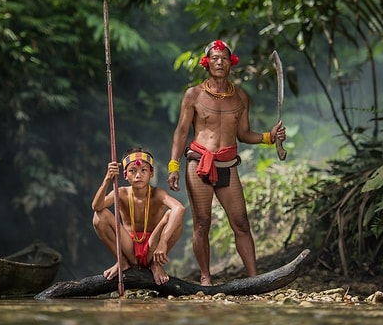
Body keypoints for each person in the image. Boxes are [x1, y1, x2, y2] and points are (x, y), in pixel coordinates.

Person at [167, 39, 286, 286]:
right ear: (206, 63)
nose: (219, 62)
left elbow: (244, 134)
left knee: (241, 222)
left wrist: (269, 137)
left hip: (227, 165)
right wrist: (173, 166)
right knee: (202, 222)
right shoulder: (194, 95)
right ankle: (205, 277)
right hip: (199, 162)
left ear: (231, 64)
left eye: (224, 58)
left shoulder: (241, 97)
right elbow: (180, 132)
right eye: (214, 58)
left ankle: (255, 279)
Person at [92, 147, 186, 285]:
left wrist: (163, 242)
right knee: (99, 216)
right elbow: (96, 206)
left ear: (151, 173)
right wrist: (108, 179)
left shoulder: (158, 193)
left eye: (143, 170)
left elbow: (179, 208)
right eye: (132, 171)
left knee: (174, 216)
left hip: (152, 248)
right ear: (125, 174)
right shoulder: (121, 192)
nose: (138, 175)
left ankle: (156, 265)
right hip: (128, 247)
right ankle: (122, 262)